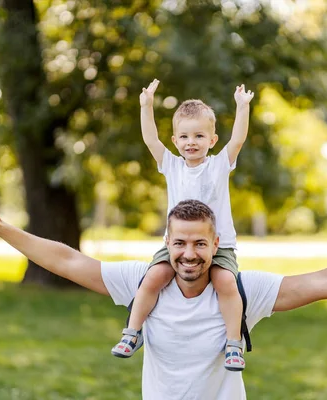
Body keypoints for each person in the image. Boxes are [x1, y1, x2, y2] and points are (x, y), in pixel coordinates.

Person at [0, 188, 327, 400]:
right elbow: (66, 260)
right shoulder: (141, 282)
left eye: (199, 243)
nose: (189, 254)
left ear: (217, 244)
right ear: (166, 244)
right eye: (179, 243)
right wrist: (2, 229)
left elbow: (316, 284)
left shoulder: (238, 288)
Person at [111, 79, 254, 371]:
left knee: (227, 283)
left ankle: (233, 344)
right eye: (185, 137)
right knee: (153, 278)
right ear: (175, 141)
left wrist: (242, 108)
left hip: (219, 244)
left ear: (212, 140)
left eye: (199, 136)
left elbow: (237, 140)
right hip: (176, 244)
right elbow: (151, 140)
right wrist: (146, 106)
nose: (192, 142)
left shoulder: (219, 165)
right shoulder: (172, 166)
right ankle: (132, 332)